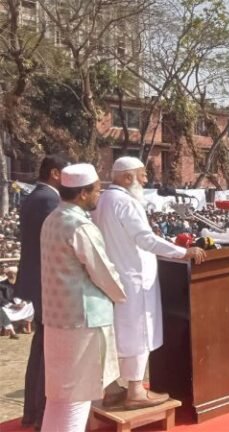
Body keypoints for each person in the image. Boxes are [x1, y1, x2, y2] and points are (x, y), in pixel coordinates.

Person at [91, 156, 206, 410]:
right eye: (142, 175)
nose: (145, 181)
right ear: (127, 177)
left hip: (115, 277)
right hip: (135, 281)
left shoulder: (103, 200)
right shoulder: (126, 202)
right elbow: (145, 239)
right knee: (138, 333)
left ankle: (112, 388)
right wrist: (182, 252)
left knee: (118, 333)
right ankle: (135, 392)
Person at [39, 163, 127, 431]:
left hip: (56, 319)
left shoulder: (52, 219)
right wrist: (121, 294)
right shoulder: (81, 226)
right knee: (78, 397)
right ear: (83, 193)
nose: (100, 194)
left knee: (58, 397)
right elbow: (103, 272)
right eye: (97, 190)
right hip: (83, 321)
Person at [16, 154, 69, 428]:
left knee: (41, 348)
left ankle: (33, 412)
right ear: (55, 173)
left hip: (37, 283)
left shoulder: (34, 197)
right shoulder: (49, 200)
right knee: (49, 350)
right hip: (48, 285)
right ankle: (41, 414)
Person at [1, 266, 33, 339]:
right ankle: (8, 330)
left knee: (31, 305)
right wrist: (12, 306)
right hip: (9, 307)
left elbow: (29, 295)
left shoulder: (23, 283)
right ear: (7, 274)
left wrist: (23, 303)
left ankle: (23, 325)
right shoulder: (2, 284)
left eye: (13, 273)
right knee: (1, 310)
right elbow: (1, 299)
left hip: (21, 306)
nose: (12, 275)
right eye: (10, 274)